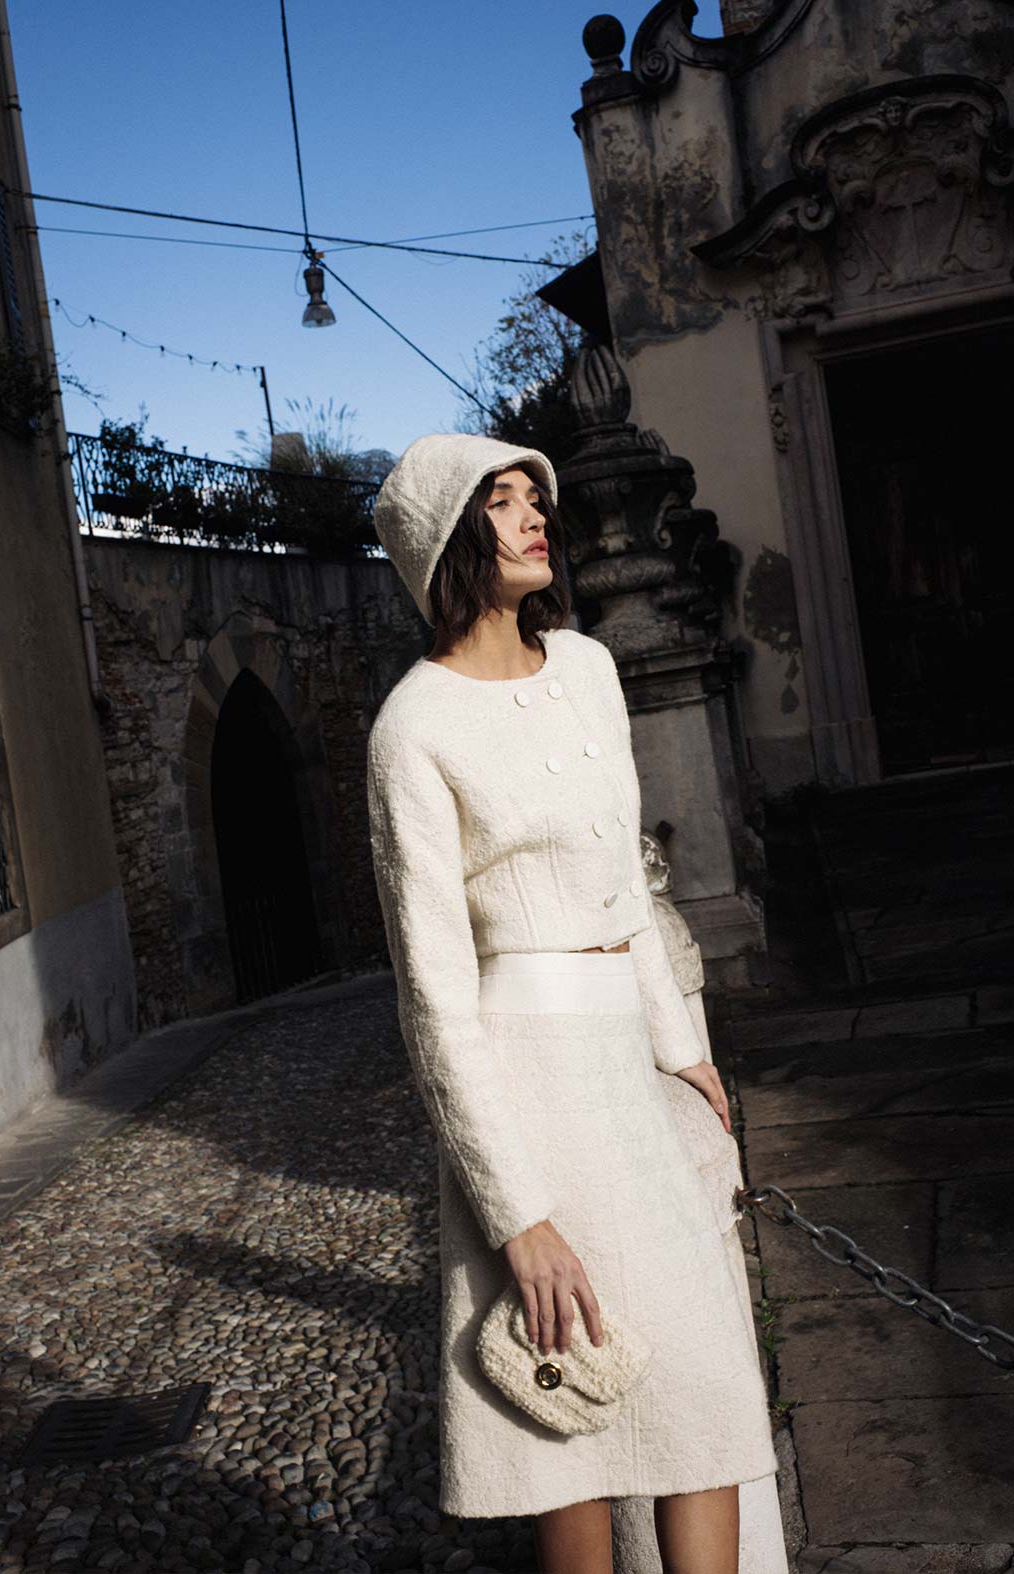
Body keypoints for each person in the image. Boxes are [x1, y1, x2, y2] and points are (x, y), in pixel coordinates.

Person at [364, 435, 780, 1574]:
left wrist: (681, 1046)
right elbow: (433, 998)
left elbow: (629, 880)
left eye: (529, 496)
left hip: (624, 1065)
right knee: (572, 1426)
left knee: (705, 1395)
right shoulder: (411, 730)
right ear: (447, 543)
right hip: (524, 1078)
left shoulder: (590, 668)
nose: (532, 517)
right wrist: (517, 1216)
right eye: (498, 504)